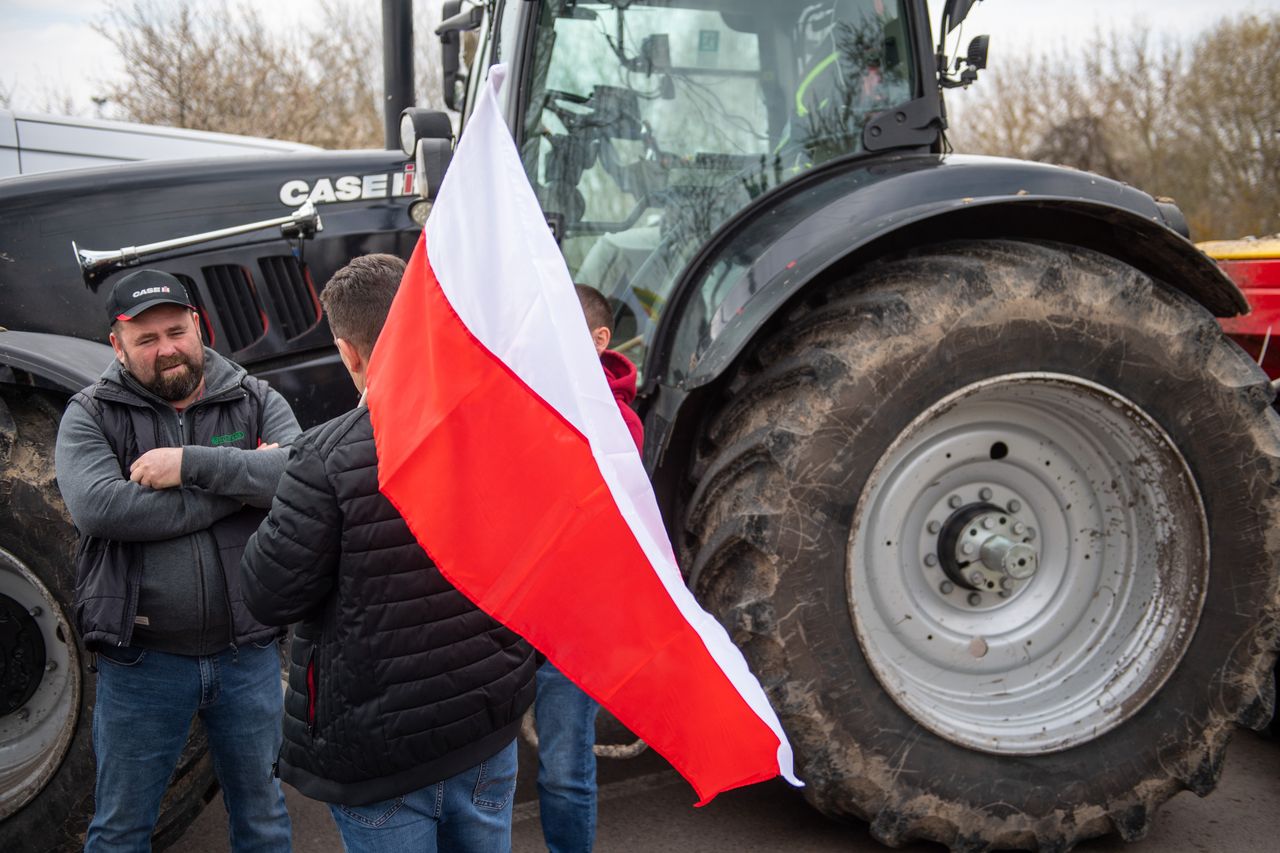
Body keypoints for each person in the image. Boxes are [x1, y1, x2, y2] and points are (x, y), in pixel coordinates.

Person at [239, 253, 537, 853]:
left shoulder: (323, 458)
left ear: (348, 352)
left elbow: (269, 593)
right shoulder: (499, 423)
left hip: (376, 753)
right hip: (484, 725)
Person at [54, 269, 299, 852]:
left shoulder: (254, 397)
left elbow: (299, 477)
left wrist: (189, 466)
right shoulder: (91, 415)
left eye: (175, 331)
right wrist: (241, 483)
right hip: (144, 664)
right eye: (146, 339)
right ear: (116, 345)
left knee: (264, 820)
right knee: (120, 830)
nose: (167, 349)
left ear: (197, 325)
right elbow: (105, 510)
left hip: (249, 655)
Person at [533, 284, 644, 853]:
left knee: (563, 767)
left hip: (574, 623)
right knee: (487, 764)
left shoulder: (619, 422)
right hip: (513, 607)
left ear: (599, 340)